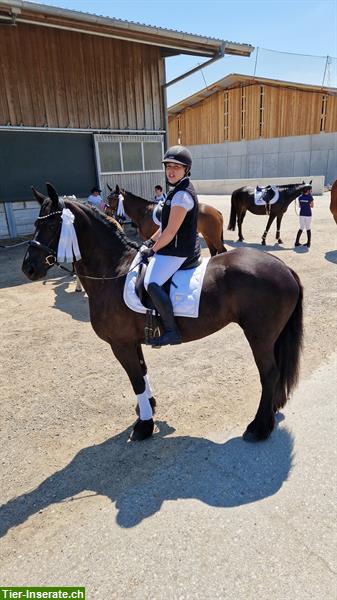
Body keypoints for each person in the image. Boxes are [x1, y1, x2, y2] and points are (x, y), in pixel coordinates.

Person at [140, 145, 200, 347]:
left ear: (186, 169)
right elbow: (165, 227)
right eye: (168, 167)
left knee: (151, 282)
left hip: (178, 251)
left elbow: (171, 232)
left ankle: (172, 331)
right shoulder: (176, 191)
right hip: (174, 246)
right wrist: (149, 241)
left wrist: (153, 250)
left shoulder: (182, 196)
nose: (171, 171)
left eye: (177, 167)